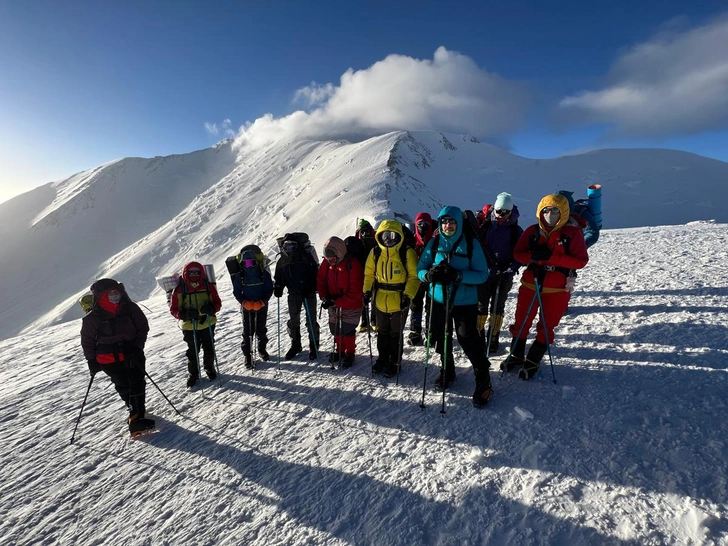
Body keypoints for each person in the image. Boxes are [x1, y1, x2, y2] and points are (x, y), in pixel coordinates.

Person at [417, 206, 493, 408]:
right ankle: (447, 369)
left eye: (452, 222)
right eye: (444, 221)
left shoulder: (471, 244)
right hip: (438, 299)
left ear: (459, 223)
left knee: (468, 339)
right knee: (441, 335)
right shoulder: (434, 244)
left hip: (464, 301)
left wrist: (458, 276)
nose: (448, 225)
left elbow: (482, 274)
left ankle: (483, 378)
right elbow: (420, 268)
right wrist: (428, 275)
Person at [507, 194, 589, 379]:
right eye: (546, 210)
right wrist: (533, 257)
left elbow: (581, 261)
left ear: (564, 213)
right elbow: (518, 253)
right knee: (522, 320)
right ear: (540, 212)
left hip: (557, 290)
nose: (550, 214)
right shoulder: (532, 231)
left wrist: (551, 258)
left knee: (547, 324)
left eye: (554, 211)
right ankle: (515, 355)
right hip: (530, 284)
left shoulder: (572, 234)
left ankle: (533, 360)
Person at [81, 278, 152, 433]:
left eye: (116, 292)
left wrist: (137, 347)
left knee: (137, 383)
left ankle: (137, 415)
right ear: (100, 296)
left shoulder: (131, 308)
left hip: (131, 354)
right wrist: (91, 360)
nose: (115, 295)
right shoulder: (93, 318)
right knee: (123, 385)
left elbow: (142, 327)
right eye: (110, 293)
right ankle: (136, 414)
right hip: (108, 359)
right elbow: (87, 340)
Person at [363, 220, 420, 378]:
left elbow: (414, 277)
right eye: (385, 236)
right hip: (380, 299)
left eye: (392, 235)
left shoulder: (406, 252)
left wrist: (408, 295)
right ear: (379, 237)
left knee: (396, 333)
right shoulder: (375, 252)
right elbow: (368, 274)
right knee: (382, 332)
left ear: (399, 236)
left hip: (399, 299)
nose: (388, 239)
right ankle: (382, 359)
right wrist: (366, 292)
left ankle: (395, 362)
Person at [477, 192, 524, 353]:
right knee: (481, 306)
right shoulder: (484, 226)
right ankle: (479, 335)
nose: (501, 215)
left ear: (511, 211)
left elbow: (521, 253)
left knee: (498, 307)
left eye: (505, 212)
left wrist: (511, 269)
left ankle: (493, 336)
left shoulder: (515, 231)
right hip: (484, 274)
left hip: (504, 275)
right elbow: (477, 248)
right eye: (499, 211)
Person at [170, 262, 223, 387]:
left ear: (202, 272)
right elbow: (174, 309)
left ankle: (209, 368)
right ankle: (193, 374)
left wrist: (212, 309)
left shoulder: (208, 286)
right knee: (193, 351)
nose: (194, 275)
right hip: (190, 326)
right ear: (185, 273)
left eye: (197, 272)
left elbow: (217, 303)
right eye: (191, 272)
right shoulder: (179, 289)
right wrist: (185, 314)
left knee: (209, 347)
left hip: (207, 323)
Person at [317, 236, 364, 368]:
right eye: (327, 259)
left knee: (348, 329)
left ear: (340, 253)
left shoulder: (353, 264)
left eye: (332, 259)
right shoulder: (327, 262)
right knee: (335, 328)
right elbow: (321, 279)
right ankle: (340, 350)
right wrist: (324, 297)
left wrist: (336, 302)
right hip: (333, 301)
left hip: (351, 304)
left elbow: (356, 291)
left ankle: (349, 353)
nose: (330, 262)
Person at [274, 235, 321, 360]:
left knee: (311, 320)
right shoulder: (283, 259)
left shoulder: (305, 256)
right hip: (293, 293)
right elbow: (279, 276)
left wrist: (310, 287)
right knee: (294, 320)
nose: (289, 248)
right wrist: (278, 286)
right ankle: (296, 345)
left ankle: (313, 345)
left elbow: (314, 273)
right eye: (287, 246)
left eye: (292, 245)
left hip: (308, 293)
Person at [232, 247, 274, 369]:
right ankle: (248, 355)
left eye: (252, 262)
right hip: (247, 306)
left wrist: (263, 301)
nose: (249, 265)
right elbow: (237, 292)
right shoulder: (240, 276)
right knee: (248, 332)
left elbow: (269, 289)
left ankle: (262, 350)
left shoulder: (263, 274)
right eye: (247, 263)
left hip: (261, 305)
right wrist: (244, 302)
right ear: (242, 263)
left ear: (256, 262)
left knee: (261, 329)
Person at [408, 212, 436, 345]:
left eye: (426, 224)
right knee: (415, 305)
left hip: (432, 278)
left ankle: (430, 331)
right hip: (416, 278)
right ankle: (415, 331)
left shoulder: (435, 240)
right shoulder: (412, 240)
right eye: (420, 224)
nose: (423, 227)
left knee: (431, 306)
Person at [356, 219, 378, 331]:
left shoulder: (373, 239)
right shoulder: (359, 239)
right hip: (363, 271)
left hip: (372, 271)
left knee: (373, 297)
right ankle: (366, 321)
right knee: (366, 297)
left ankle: (371, 321)